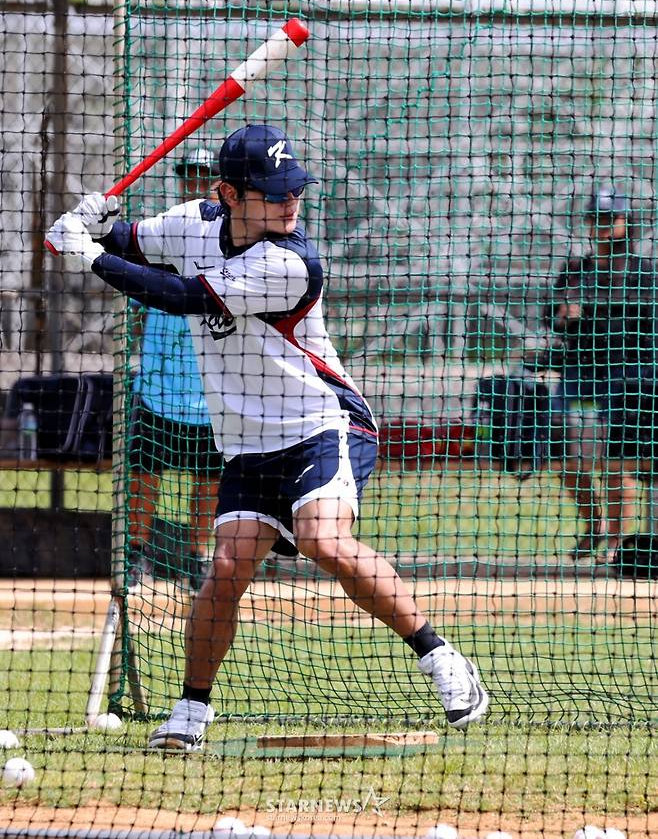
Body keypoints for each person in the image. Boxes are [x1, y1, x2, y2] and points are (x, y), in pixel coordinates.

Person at [45, 123, 489, 749]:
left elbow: (179, 296)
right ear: (229, 194)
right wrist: (92, 222)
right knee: (226, 568)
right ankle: (191, 713)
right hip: (247, 441)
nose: (290, 202)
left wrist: (87, 253)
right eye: (272, 192)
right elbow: (135, 244)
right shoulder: (193, 223)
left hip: (321, 424)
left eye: (293, 189)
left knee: (322, 540)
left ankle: (441, 658)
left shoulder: (290, 262)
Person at [543, 184, 658, 562]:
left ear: (626, 222)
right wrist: (566, 316)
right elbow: (551, 318)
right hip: (580, 370)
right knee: (561, 451)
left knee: (616, 458)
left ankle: (615, 541)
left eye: (611, 219)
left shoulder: (644, 272)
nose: (604, 226)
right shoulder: (576, 270)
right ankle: (593, 523)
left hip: (627, 376)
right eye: (596, 219)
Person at [127, 149, 224, 592]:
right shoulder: (164, 234)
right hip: (157, 390)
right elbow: (137, 311)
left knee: (207, 482)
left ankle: (196, 558)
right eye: (189, 176)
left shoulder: (227, 239)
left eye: (203, 176)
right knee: (145, 474)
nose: (195, 183)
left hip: (209, 396)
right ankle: (136, 555)